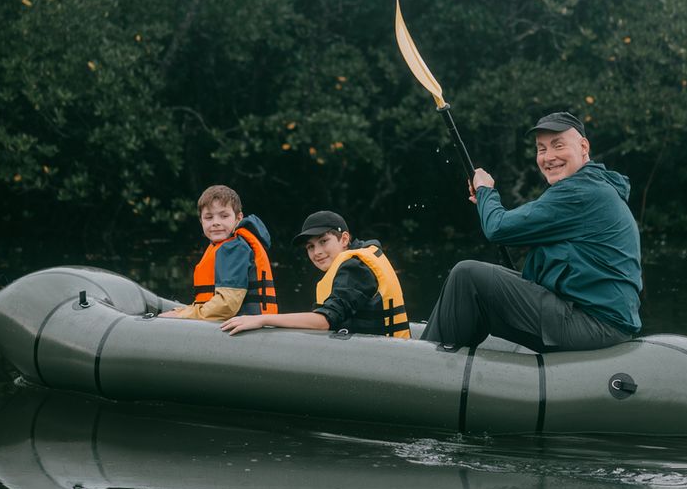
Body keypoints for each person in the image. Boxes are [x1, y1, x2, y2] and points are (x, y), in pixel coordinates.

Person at [423, 112, 641, 352]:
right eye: (541, 149)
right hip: (595, 320)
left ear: (583, 146)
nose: (549, 157)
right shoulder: (593, 186)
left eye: (558, 145)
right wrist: (486, 201)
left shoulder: (581, 192)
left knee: (466, 275)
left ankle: (419, 368)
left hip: (595, 326)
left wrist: (485, 190)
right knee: (483, 280)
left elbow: (497, 228)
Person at [220, 210, 409, 338]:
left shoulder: (355, 268)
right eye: (310, 247)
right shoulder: (356, 260)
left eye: (323, 241)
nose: (316, 252)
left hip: (382, 359)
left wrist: (261, 319)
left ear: (344, 239)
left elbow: (326, 321)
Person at [159, 184, 277, 321]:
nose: (216, 223)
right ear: (201, 221)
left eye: (224, 216)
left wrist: (184, 315)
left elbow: (226, 305)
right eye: (209, 218)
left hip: (245, 331)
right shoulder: (223, 247)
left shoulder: (234, 248)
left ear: (238, 218)